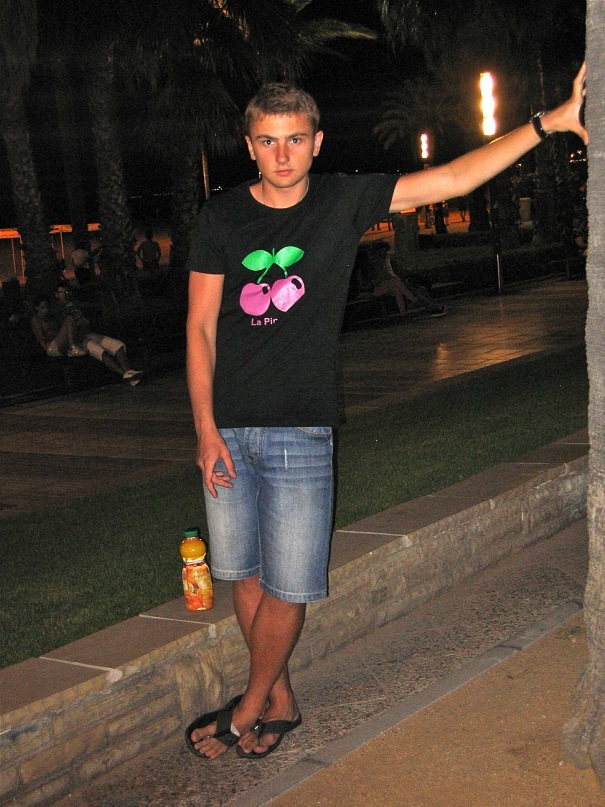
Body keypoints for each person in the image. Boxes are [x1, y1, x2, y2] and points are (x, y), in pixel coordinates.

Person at [184, 66, 587, 761]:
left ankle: (245, 706)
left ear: (316, 142)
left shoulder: (343, 200)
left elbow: (451, 179)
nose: (282, 153)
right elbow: (198, 327)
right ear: (249, 145)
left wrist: (549, 121)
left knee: (288, 582)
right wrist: (204, 430)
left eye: (295, 139)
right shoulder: (221, 217)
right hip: (228, 425)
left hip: (301, 424)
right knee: (243, 575)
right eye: (267, 141)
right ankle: (280, 700)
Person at [53, 284, 144, 386]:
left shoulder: (75, 303)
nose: (64, 295)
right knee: (100, 352)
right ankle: (124, 374)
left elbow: (89, 309)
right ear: (56, 295)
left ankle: (128, 373)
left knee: (118, 346)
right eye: (61, 293)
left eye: (66, 292)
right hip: (78, 339)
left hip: (88, 333)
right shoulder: (57, 309)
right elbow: (63, 328)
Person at [368, 241, 446, 318]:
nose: (385, 253)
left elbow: (396, 271)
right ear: (378, 251)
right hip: (389, 284)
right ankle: (431, 307)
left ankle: (430, 306)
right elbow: (382, 277)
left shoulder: (387, 259)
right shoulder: (376, 263)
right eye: (383, 251)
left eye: (386, 251)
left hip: (396, 282)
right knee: (414, 291)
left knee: (422, 289)